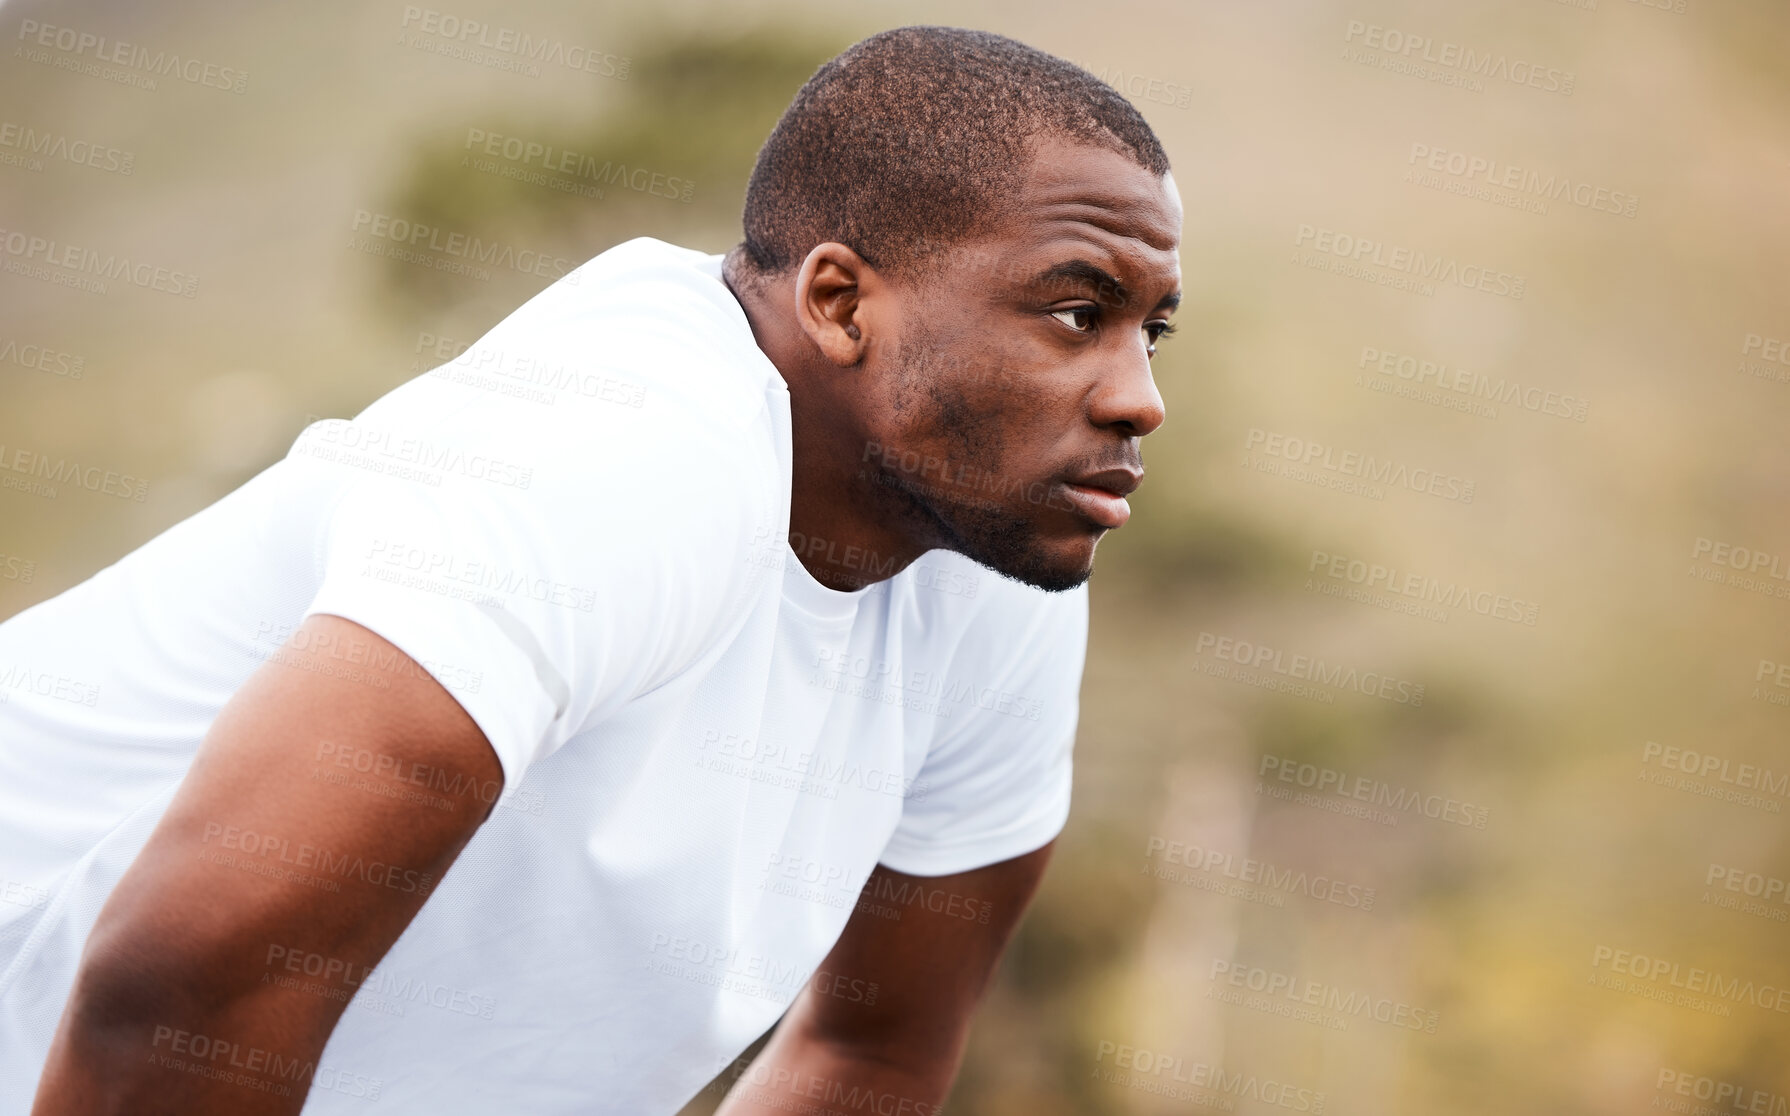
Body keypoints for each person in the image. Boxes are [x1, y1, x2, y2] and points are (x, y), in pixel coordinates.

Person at [2, 24, 1180, 1115]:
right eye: (1076, 312)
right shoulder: (616, 456)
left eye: (1149, 330)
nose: (1138, 396)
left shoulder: (986, 549)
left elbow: (867, 1059)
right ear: (837, 302)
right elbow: (177, 1000)